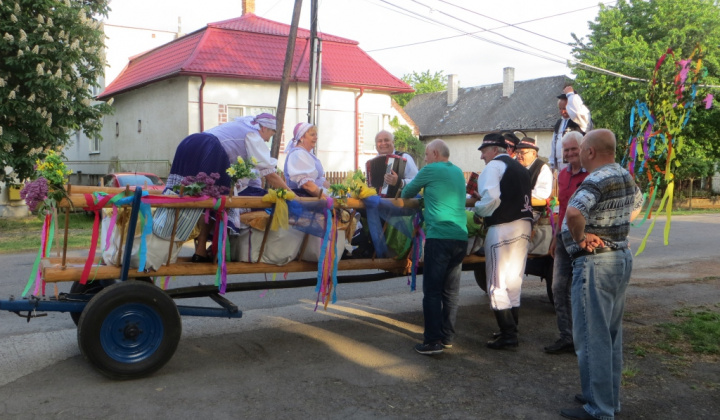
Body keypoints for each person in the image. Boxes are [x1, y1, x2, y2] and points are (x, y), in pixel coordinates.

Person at [559, 129, 643, 420]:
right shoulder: (623, 175)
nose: (579, 153)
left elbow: (573, 213)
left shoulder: (595, 178)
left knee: (592, 338)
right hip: (620, 259)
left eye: (581, 148)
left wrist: (582, 238)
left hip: (596, 263)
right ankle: (608, 399)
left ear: (590, 152)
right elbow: (638, 204)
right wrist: (617, 227)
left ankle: (598, 409)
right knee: (610, 336)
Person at [167, 113, 289, 262]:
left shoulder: (241, 127)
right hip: (210, 148)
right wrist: (290, 194)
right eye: (271, 134)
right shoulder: (253, 135)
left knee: (195, 198)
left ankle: (188, 249)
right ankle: (211, 251)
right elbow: (269, 174)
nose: (268, 139)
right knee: (217, 201)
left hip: (189, 143)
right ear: (263, 128)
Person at [401, 139, 468, 355]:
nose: (425, 158)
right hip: (460, 236)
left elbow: (406, 193)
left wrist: (423, 196)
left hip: (439, 236)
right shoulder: (457, 171)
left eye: (427, 154)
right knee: (451, 291)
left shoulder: (430, 169)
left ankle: (432, 341)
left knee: (432, 291)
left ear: (436, 153)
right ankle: (447, 337)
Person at [472, 132, 534, 350]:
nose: (482, 157)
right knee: (513, 281)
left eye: (484, 151)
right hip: (524, 225)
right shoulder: (522, 169)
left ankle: (508, 335)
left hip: (503, 227)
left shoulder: (494, 167)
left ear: (495, 150)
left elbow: (492, 198)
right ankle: (511, 329)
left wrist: (477, 210)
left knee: (497, 283)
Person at [543, 131, 588, 355]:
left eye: (573, 149)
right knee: (558, 288)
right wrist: (554, 237)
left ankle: (584, 338)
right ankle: (566, 337)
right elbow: (561, 209)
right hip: (562, 238)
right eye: (566, 150)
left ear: (583, 148)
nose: (569, 153)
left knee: (583, 289)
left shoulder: (592, 175)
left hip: (584, 240)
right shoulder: (561, 175)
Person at [550, 85, 592, 171]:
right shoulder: (559, 123)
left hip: (578, 167)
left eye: (565, 108)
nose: (562, 111)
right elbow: (554, 143)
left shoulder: (580, 121)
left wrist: (570, 95)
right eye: (560, 109)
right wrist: (552, 164)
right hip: (561, 167)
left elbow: (578, 112)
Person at [284, 122, 329, 198]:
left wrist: (335, 190)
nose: (316, 137)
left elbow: (320, 180)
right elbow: (307, 185)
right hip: (304, 199)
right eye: (312, 135)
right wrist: (327, 199)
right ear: (301, 138)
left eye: (316, 135)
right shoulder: (298, 154)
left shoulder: (307, 154)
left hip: (315, 196)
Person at [514, 137, 553, 218]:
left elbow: (542, 193)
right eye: (517, 152)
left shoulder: (543, 168)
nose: (518, 156)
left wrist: (518, 195)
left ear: (533, 154)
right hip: (514, 207)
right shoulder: (514, 166)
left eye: (522, 152)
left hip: (534, 210)